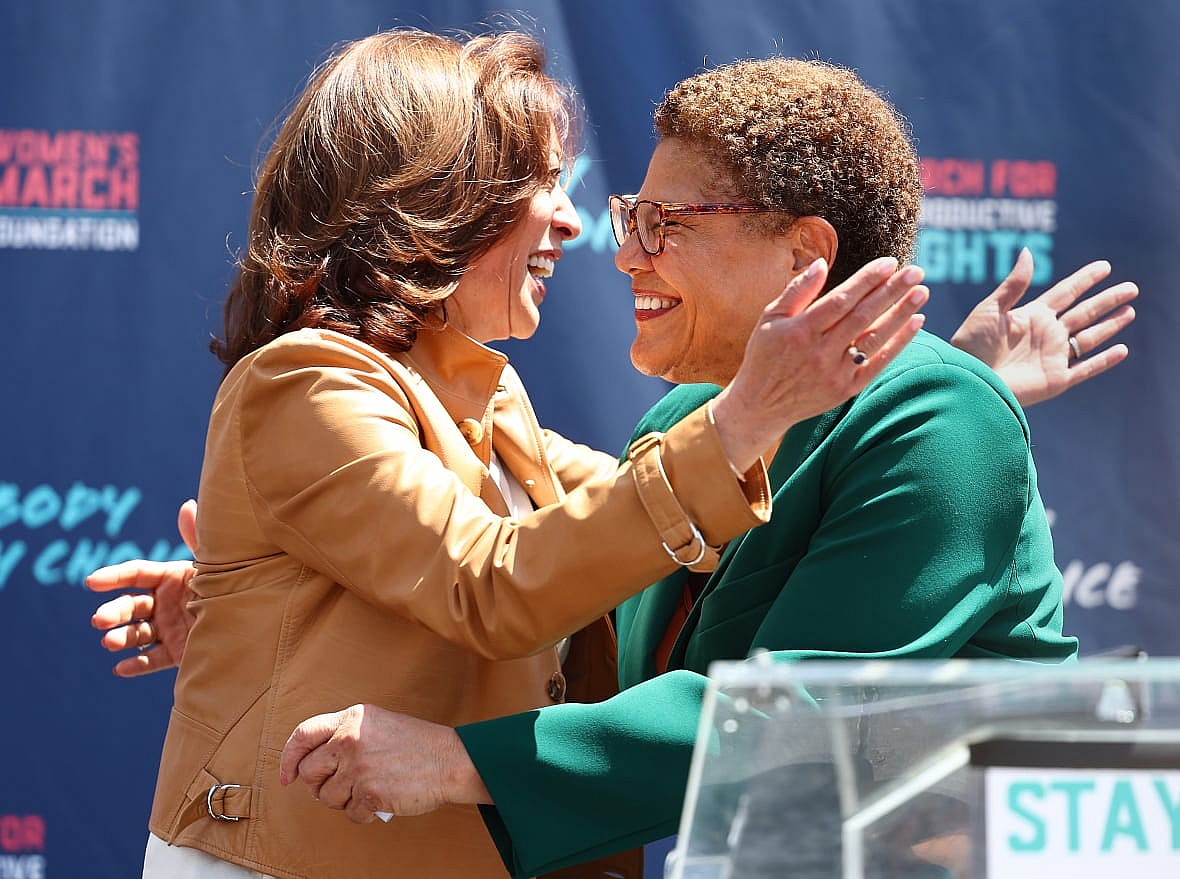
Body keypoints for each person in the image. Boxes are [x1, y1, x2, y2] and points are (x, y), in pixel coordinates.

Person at [262, 57, 1142, 878]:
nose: (626, 254)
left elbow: (797, 719)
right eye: (631, 219)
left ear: (804, 254)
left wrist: (455, 763)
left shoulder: (939, 416)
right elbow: (542, 574)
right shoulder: (687, 420)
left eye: (665, 225)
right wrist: (278, 596)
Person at [93, 30, 934, 879]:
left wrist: (909, 396)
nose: (573, 218)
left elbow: (655, 529)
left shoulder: (487, 397)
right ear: (435, 195)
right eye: (538, 184)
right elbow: (492, 580)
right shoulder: (304, 381)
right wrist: (749, 411)